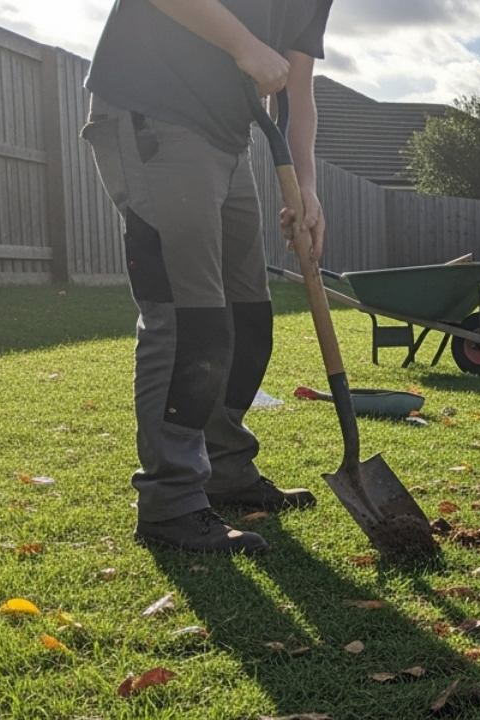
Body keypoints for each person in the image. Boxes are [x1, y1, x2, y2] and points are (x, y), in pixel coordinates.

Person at [81, 0, 333, 555]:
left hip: (228, 138)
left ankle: (225, 469)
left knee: (247, 317)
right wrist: (245, 45)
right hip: (156, 112)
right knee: (187, 318)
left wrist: (307, 187)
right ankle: (170, 502)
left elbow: (297, 88)